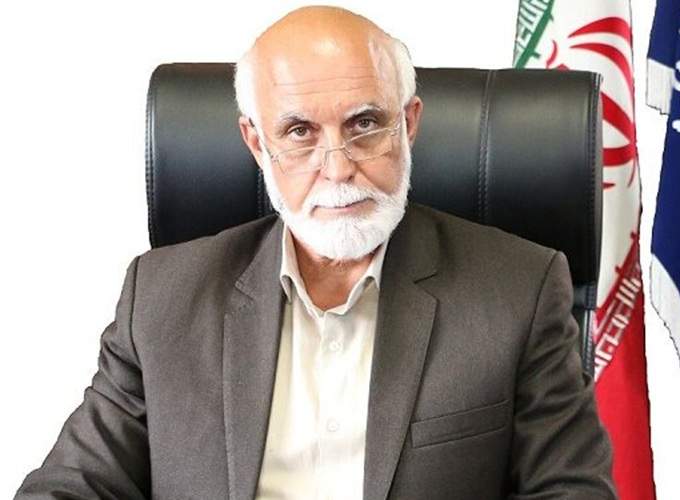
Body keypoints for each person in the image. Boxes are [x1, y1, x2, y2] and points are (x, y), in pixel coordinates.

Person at [15, 6, 616, 500]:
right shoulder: (161, 298)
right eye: (299, 132)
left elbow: (571, 490)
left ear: (409, 124)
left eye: (365, 124)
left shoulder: (519, 290)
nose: (337, 168)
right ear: (257, 143)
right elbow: (71, 486)